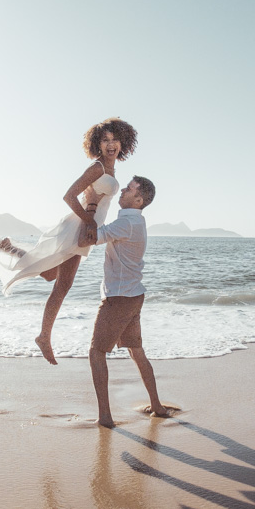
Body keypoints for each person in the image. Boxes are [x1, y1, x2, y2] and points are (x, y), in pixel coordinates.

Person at [0, 118, 138, 365]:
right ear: (97, 144)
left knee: (50, 275)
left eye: (114, 139)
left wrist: (93, 220)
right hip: (79, 226)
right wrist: (89, 222)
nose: (110, 144)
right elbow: (69, 196)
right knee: (63, 285)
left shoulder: (110, 169)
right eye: (105, 140)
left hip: (85, 225)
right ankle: (44, 337)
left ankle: (10, 248)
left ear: (123, 141)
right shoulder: (98, 168)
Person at [89, 176, 169, 428]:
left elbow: (88, 238)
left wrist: (90, 204)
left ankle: (105, 417)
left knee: (96, 352)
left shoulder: (127, 221)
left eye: (129, 188)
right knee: (136, 351)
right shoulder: (136, 220)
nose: (123, 190)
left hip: (120, 298)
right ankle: (156, 406)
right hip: (134, 296)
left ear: (139, 199)